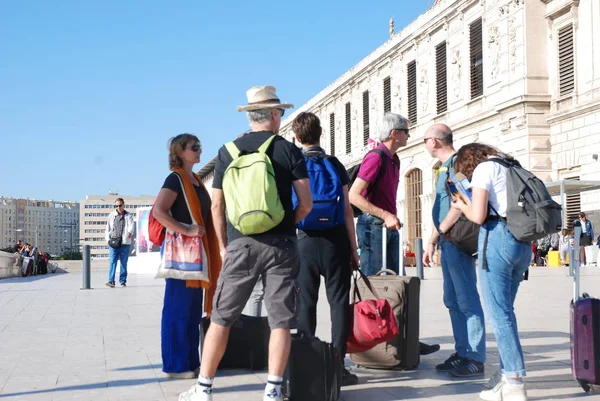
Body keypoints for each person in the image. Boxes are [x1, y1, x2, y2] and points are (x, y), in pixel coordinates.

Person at [179, 85, 312, 401]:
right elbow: (306, 203)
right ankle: (273, 390)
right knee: (280, 320)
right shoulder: (288, 150)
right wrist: (285, 226)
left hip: (240, 244)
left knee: (222, 317)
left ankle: (204, 389)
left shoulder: (228, 151)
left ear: (251, 115)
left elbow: (216, 206)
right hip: (280, 245)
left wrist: (225, 245)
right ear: (276, 114)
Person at [349, 112, 440, 357]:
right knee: (375, 285)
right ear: (394, 133)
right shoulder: (376, 157)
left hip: (388, 227)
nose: (408, 135)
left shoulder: (394, 160)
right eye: (406, 131)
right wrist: (384, 215)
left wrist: (391, 217)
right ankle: (369, 343)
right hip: (373, 226)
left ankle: (402, 339)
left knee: (395, 285)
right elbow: (354, 195)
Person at [451, 143, 531, 401]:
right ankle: (506, 373)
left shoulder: (485, 169)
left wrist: (462, 204)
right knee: (506, 311)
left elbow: (478, 215)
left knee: (499, 315)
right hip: (523, 243)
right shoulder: (512, 165)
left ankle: (515, 383)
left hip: (499, 239)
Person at [292, 112, 360, 386]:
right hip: (336, 241)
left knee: (306, 302)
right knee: (339, 303)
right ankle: (337, 367)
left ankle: (309, 365)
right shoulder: (335, 164)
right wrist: (353, 249)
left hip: (305, 240)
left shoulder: (295, 164)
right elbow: (346, 211)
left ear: (297, 138)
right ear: (321, 134)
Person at [154, 134, 221, 379]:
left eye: (199, 146)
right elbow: (159, 211)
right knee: (177, 308)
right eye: (194, 147)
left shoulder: (195, 180)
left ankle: (191, 362)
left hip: (196, 253)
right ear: (179, 151)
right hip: (181, 253)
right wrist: (187, 230)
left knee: (192, 311)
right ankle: (175, 365)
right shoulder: (175, 179)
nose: (199, 150)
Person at [422, 124, 486, 377]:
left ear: (434, 142)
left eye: (425, 139)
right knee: (452, 300)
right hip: (447, 241)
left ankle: (475, 357)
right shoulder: (444, 168)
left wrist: (442, 231)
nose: (424, 142)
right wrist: (432, 240)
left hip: (457, 241)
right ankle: (463, 351)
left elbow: (463, 200)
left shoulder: (458, 164)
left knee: (467, 299)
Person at [104, 198, 134, 287]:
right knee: (112, 262)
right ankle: (111, 281)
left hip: (124, 243)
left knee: (123, 262)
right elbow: (107, 228)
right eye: (116, 206)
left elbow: (132, 225)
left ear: (123, 205)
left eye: (120, 205)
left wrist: (130, 232)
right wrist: (107, 240)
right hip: (113, 242)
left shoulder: (128, 215)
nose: (118, 207)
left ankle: (122, 281)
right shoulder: (111, 215)